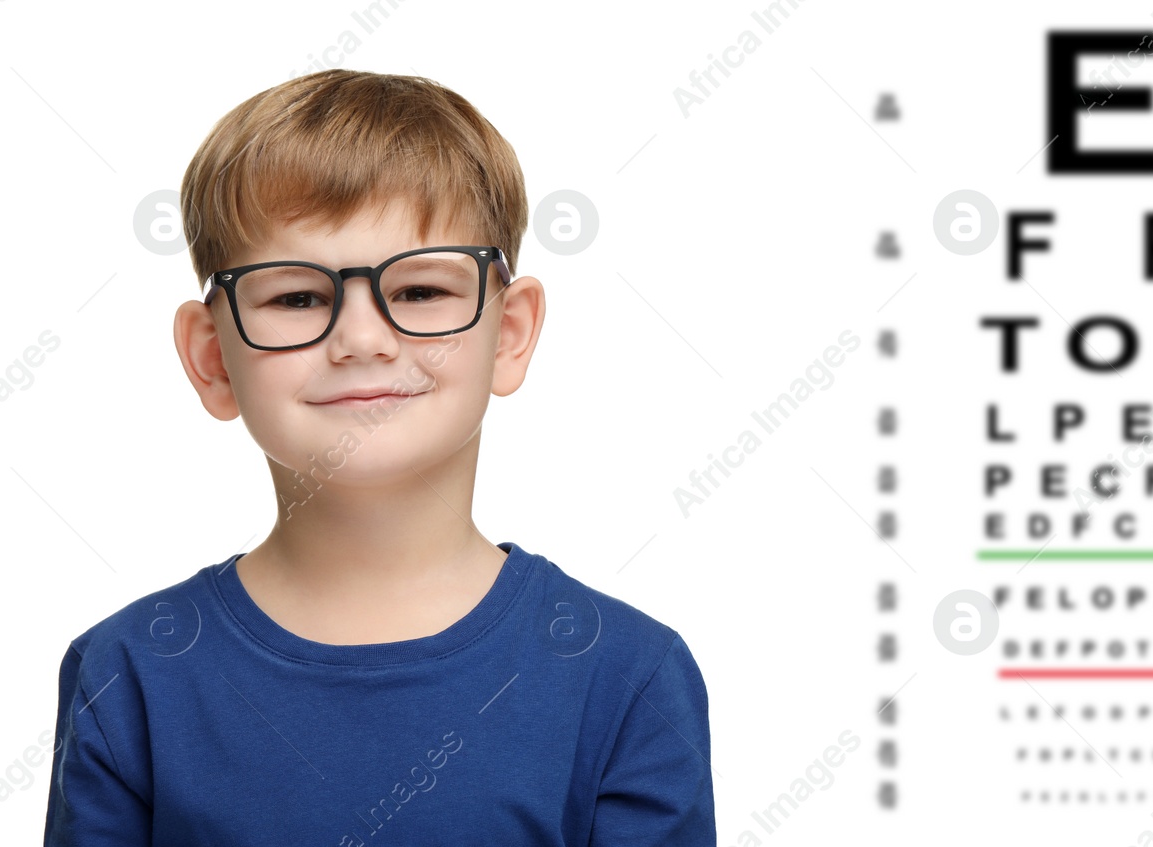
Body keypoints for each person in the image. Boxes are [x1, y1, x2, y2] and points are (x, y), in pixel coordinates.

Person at [42, 69, 715, 846]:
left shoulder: (628, 675)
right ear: (212, 358)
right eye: (296, 298)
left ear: (512, 332)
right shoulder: (127, 674)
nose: (362, 339)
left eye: (422, 290)